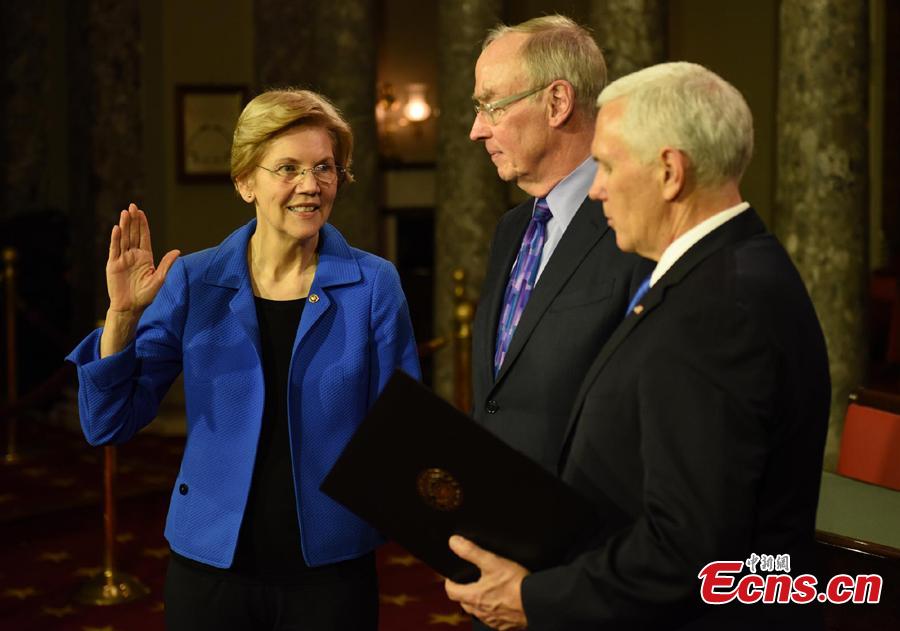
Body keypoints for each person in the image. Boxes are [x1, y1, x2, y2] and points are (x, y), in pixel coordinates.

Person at [446, 62, 830, 630]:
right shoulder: (730, 268)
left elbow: (688, 547)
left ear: (670, 172)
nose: (596, 187)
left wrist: (535, 600)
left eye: (606, 164)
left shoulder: (719, 307)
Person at [66, 89, 420, 630]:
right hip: (211, 569)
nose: (311, 185)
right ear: (245, 182)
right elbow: (108, 424)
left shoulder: (374, 284)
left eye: (324, 167)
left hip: (330, 572)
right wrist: (121, 318)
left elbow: (401, 432)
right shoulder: (193, 280)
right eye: (288, 168)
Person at [469, 15, 651, 475]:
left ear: (556, 103)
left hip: (590, 527)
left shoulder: (636, 224)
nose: (477, 130)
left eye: (492, 107)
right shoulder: (511, 229)